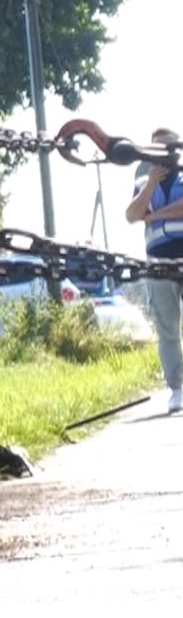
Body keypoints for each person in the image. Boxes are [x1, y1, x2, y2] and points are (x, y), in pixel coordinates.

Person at [125, 127, 183, 413]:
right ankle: (177, 388)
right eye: (155, 149)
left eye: (166, 148)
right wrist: (149, 185)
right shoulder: (142, 180)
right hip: (158, 262)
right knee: (167, 328)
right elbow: (132, 215)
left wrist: (156, 214)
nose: (161, 154)